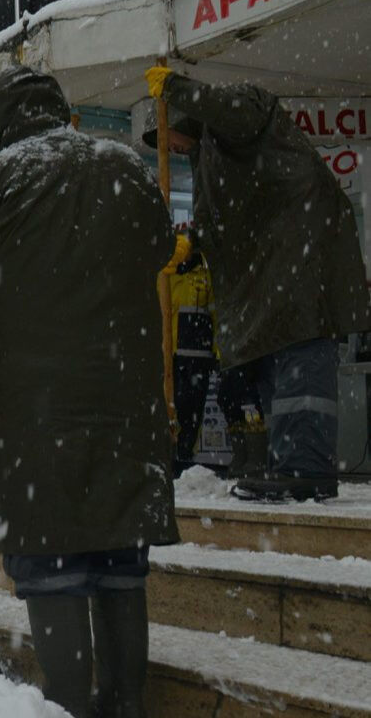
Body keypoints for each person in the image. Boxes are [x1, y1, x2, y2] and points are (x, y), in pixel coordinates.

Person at [0, 67, 178, 718]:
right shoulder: (127, 169)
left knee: (54, 561)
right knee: (117, 560)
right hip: (125, 413)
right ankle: (124, 706)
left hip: (35, 420)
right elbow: (160, 246)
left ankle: (73, 707)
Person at [146, 66, 371, 501]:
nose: (168, 146)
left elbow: (236, 109)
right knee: (272, 360)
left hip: (302, 252)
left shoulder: (243, 114)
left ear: (189, 117)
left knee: (300, 358)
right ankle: (289, 465)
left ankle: (305, 468)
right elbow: (218, 227)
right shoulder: (210, 163)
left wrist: (177, 88)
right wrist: (189, 247)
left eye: (167, 134)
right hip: (273, 271)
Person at [165, 236, 217, 477]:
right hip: (172, 357)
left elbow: (214, 315)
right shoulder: (167, 278)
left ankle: (183, 456)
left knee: (190, 411)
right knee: (174, 409)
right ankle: (174, 456)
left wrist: (218, 353)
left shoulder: (204, 277)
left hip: (196, 358)